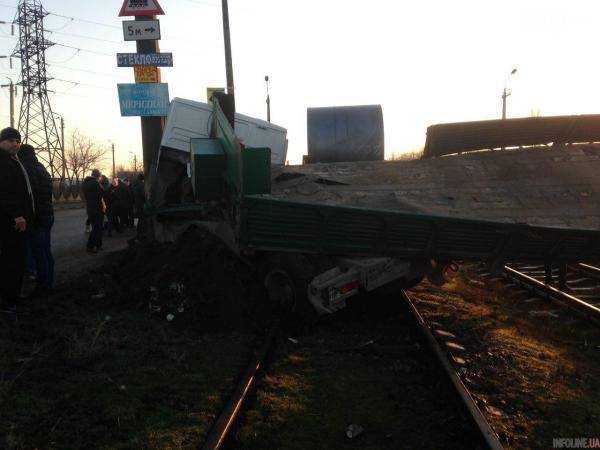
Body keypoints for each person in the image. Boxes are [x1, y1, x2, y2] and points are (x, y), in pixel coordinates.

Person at [0, 127, 34, 320]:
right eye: (11, 140)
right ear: (2, 142)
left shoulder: (14, 160)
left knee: (18, 260)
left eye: (17, 141)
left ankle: (12, 297)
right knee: (11, 262)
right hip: (9, 221)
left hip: (17, 220)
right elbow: (5, 192)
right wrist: (17, 215)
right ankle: (8, 303)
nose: (15, 144)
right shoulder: (3, 161)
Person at [18, 144, 55, 297]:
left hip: (37, 217)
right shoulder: (41, 168)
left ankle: (43, 285)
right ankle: (49, 282)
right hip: (46, 215)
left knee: (37, 252)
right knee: (45, 251)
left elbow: (28, 195)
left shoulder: (26, 169)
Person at [81, 169, 105, 253]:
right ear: (97, 176)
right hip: (97, 208)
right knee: (97, 228)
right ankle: (90, 246)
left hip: (90, 208)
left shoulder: (85, 183)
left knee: (96, 227)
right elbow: (101, 194)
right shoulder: (96, 183)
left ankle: (98, 245)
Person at [132, 173, 146, 239]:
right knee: (142, 218)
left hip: (137, 203)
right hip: (141, 203)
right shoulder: (141, 185)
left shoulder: (135, 185)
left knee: (140, 218)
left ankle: (139, 231)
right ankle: (141, 232)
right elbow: (144, 194)